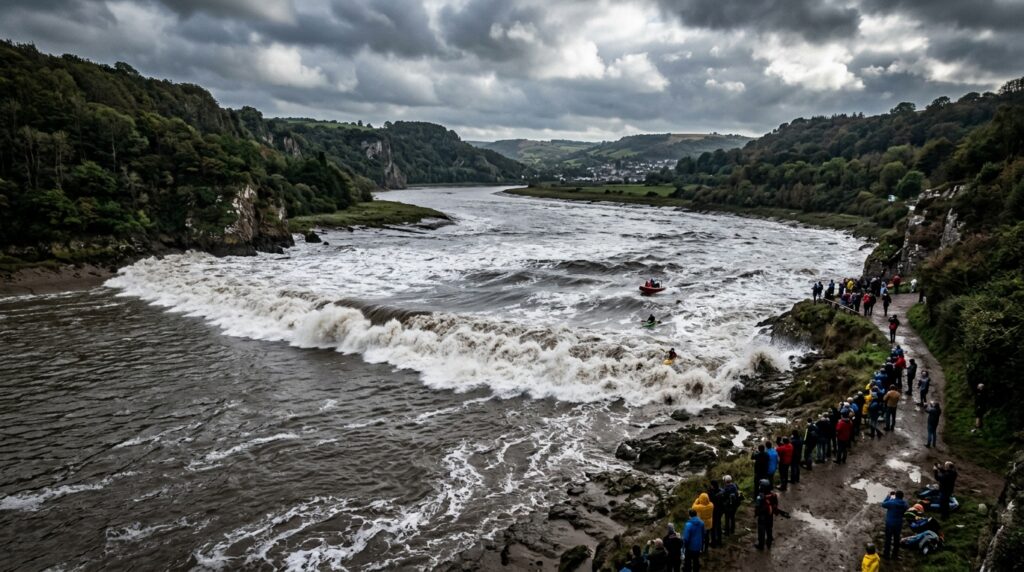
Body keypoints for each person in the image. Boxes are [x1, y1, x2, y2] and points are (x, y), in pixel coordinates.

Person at [881, 490, 909, 560]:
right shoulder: (905, 504)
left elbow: (883, 504)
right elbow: (906, 510)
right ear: (902, 497)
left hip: (890, 523)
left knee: (888, 539)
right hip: (898, 524)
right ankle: (895, 556)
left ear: (895, 495)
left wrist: (888, 496)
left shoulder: (891, 502)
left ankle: (886, 555)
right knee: (896, 540)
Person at [753, 479, 780, 550]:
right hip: (770, 515)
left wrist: (756, 514)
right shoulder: (773, 495)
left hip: (762, 517)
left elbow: (757, 506)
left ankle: (761, 545)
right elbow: (776, 504)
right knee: (769, 529)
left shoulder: (760, 497)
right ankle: (769, 543)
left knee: (761, 531)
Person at [707, 481, 724, 548]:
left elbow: (710, 499)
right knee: (719, 526)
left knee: (713, 527)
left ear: (712, 486)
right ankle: (719, 541)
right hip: (720, 511)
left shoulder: (711, 493)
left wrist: (709, 490)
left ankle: (713, 543)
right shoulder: (721, 491)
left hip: (713, 512)